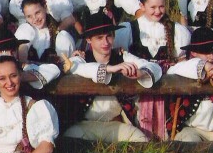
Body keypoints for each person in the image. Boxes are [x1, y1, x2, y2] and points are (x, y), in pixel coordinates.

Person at [62, 13, 162, 142]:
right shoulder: (81, 58)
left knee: (140, 139)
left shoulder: (122, 57)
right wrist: (110, 69)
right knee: (68, 139)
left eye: (109, 36)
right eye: (99, 38)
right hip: (84, 125)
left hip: (114, 124)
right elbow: (75, 67)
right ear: (89, 40)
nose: (105, 42)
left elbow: (155, 67)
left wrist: (141, 73)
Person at [125, 0, 191, 139]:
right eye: (153, 7)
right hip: (139, 85)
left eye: (161, 6)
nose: (158, 11)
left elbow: (181, 58)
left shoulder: (176, 30)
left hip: (165, 85)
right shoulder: (130, 28)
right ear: (142, 6)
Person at [0, 25, 62, 91]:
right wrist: (1, 76)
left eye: (12, 50)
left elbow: (54, 69)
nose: (8, 54)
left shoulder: (24, 67)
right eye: (2, 51)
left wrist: (21, 76)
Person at [15, 0, 77, 65]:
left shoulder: (58, 35)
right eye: (29, 16)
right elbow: (22, 56)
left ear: (45, 8)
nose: (35, 19)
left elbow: (64, 65)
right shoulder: (25, 30)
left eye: (37, 13)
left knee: (63, 36)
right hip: (28, 70)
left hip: (56, 71)